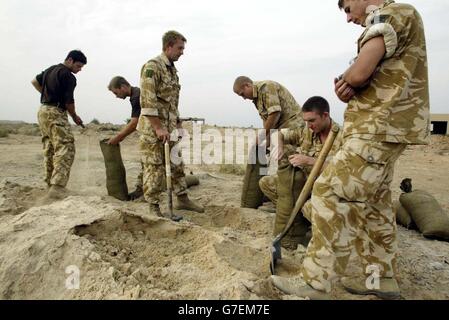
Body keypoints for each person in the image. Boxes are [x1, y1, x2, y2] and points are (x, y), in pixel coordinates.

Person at [271, 0, 430, 300]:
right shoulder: (407, 17)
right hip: (389, 130)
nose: (347, 18)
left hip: (374, 128)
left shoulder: (391, 13)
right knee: (375, 208)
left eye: (346, 8)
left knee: (329, 191)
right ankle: (380, 279)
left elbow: (359, 73)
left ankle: (315, 283)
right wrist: (353, 83)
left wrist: (348, 80)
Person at [259, 97, 342, 249]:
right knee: (266, 183)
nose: (309, 125)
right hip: (301, 185)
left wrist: (310, 161)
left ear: (325, 115)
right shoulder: (307, 131)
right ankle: (299, 219)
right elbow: (280, 134)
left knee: (308, 208)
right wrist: (280, 146)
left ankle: (306, 221)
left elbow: (343, 170)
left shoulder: (342, 137)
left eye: (312, 120)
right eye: (306, 121)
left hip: (324, 188)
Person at [138, 30, 204, 220]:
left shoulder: (172, 71)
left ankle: (182, 199)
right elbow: (147, 102)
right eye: (179, 48)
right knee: (154, 167)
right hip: (153, 131)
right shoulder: (152, 67)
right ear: (168, 46)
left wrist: (178, 124)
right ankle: (153, 206)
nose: (182, 52)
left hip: (170, 129)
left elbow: (172, 103)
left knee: (176, 163)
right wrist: (158, 127)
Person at [31, 50, 87, 203]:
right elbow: (69, 102)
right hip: (56, 111)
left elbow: (35, 81)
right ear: (69, 60)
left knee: (49, 147)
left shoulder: (50, 69)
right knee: (66, 146)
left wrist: (47, 94)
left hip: (43, 110)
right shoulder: (68, 76)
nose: (79, 70)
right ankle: (58, 187)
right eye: (78, 66)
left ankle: (49, 184)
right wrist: (74, 116)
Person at [233, 77, 304, 147]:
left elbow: (275, 114)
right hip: (280, 129)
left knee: (283, 154)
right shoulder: (256, 98)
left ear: (247, 85)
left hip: (293, 125)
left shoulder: (266, 87)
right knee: (272, 153)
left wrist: (261, 136)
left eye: (242, 94)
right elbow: (266, 120)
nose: (244, 98)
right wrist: (267, 139)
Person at [107, 76, 144, 200]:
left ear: (123, 87)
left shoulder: (136, 96)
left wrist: (118, 137)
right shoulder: (138, 92)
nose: (116, 96)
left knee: (149, 163)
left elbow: (134, 123)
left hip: (157, 133)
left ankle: (143, 191)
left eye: (116, 92)